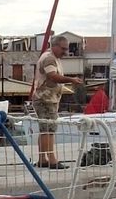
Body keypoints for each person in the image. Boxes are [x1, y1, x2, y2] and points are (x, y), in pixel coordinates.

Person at [33, 35, 82, 169]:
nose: (65, 52)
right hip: (46, 99)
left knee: (44, 129)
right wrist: (71, 80)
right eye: (63, 49)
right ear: (54, 46)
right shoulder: (49, 58)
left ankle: (43, 159)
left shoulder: (51, 57)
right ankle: (52, 159)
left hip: (46, 98)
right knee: (49, 129)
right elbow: (52, 76)